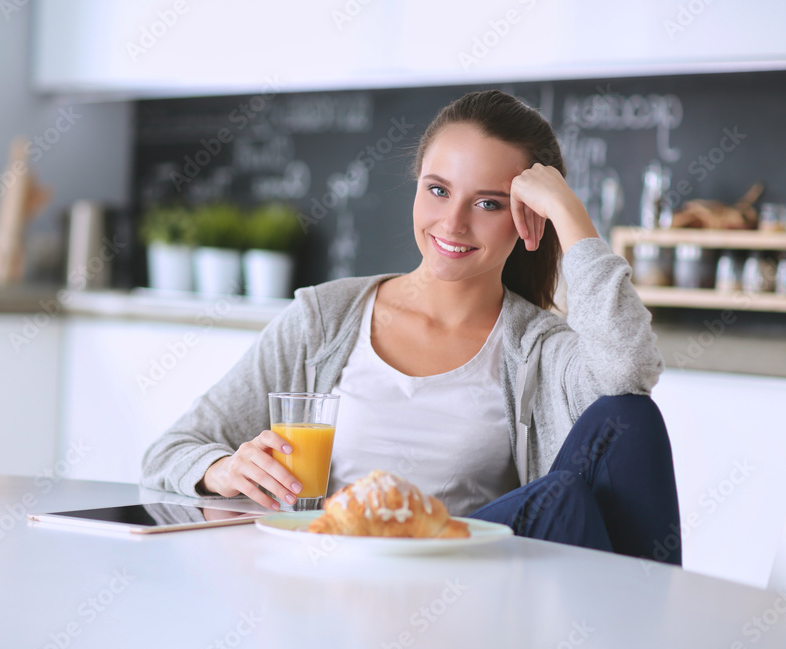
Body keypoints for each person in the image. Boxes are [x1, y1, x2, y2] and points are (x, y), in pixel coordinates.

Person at [141, 90, 681, 565]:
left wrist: (572, 216)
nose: (453, 224)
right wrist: (219, 469)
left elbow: (628, 372)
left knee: (625, 418)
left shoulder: (537, 348)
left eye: (488, 203)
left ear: (527, 218)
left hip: (465, 588)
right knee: (565, 494)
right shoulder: (324, 320)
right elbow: (168, 452)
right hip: (337, 573)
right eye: (438, 190)